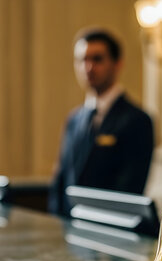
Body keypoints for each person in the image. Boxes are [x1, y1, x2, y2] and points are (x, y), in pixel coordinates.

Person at [48, 29, 154, 216]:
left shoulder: (138, 120)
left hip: (111, 231)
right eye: (82, 60)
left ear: (117, 64)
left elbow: (130, 188)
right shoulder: (74, 119)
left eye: (97, 59)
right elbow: (62, 178)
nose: (88, 67)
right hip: (70, 230)